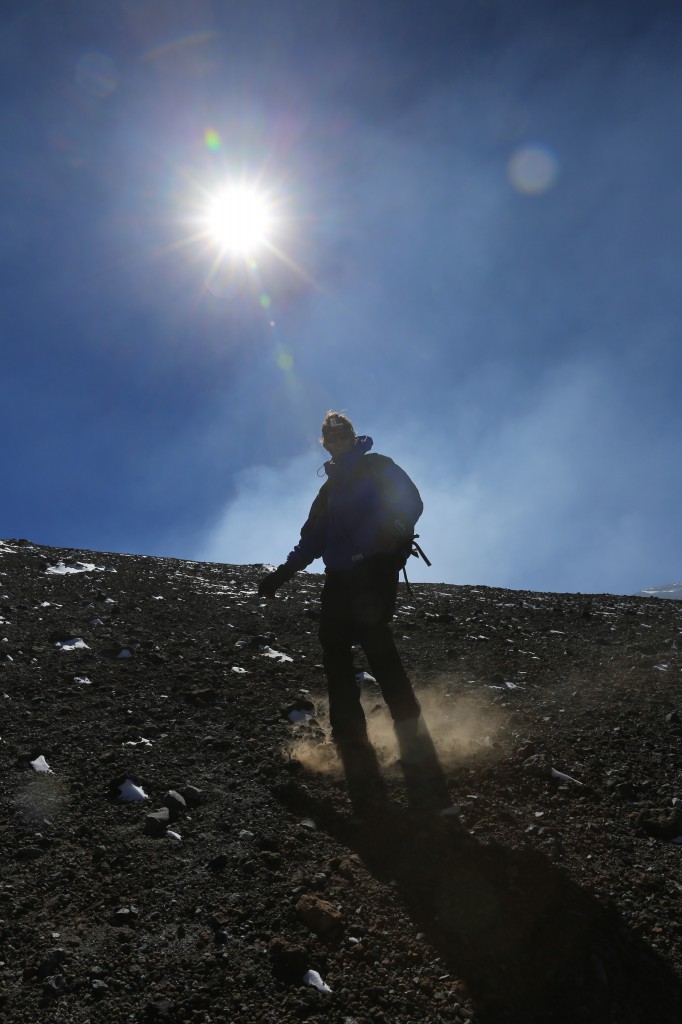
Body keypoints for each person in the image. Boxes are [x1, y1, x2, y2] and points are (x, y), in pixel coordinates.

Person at [258, 411, 434, 812]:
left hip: (373, 571)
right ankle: (352, 743)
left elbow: (411, 502)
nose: (336, 443)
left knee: (377, 647)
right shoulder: (329, 489)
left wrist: (384, 540)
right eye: (330, 439)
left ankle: (413, 738)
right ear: (325, 444)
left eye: (341, 437)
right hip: (338, 577)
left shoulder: (377, 467)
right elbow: (312, 540)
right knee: (334, 652)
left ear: (352, 438)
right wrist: (282, 574)